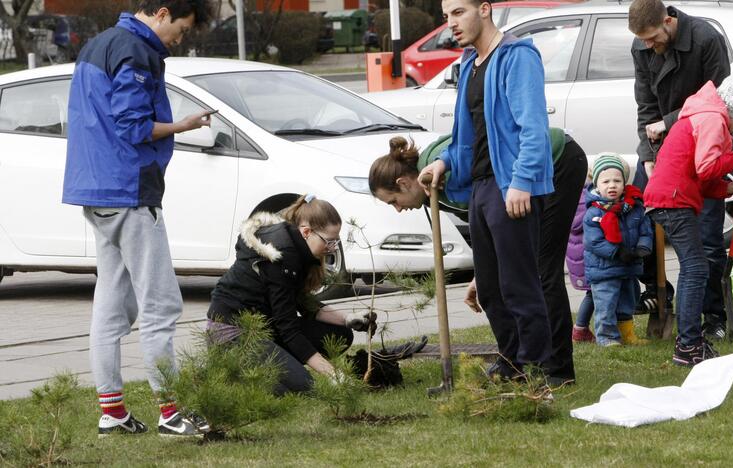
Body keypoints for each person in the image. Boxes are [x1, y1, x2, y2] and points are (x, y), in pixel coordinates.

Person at [62, 0, 215, 438]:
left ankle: (113, 412)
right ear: (163, 13)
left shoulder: (99, 44)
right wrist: (183, 125)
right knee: (160, 304)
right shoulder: (134, 50)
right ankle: (171, 412)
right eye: (182, 30)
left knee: (112, 307)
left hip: (96, 189)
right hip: (128, 190)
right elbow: (133, 127)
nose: (180, 40)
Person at [418, 0, 563, 387]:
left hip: (508, 185)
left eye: (459, 13)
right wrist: (444, 162)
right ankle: (510, 360)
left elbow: (532, 127)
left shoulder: (517, 56)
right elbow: (469, 134)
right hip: (480, 188)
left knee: (519, 285)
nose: (452, 24)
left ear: (484, 9)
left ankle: (536, 370)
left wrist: (521, 181)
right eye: (447, 16)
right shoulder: (470, 64)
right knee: (490, 287)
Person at [370, 127, 587, 384]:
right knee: (494, 285)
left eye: (393, 201)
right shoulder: (432, 190)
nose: (397, 209)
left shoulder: (443, 170)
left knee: (540, 272)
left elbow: (490, 155)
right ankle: (512, 362)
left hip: (555, 161)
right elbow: (485, 224)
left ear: (403, 183)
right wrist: (483, 271)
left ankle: (557, 370)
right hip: (512, 187)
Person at [629, 0, 732, 340]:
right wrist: (647, 153)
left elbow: (719, 100)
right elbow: (645, 104)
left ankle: (713, 317)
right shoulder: (641, 46)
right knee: (637, 223)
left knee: (707, 239)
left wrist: (668, 121)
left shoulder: (705, 39)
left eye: (653, 38)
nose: (648, 46)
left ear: (669, 21)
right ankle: (659, 295)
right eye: (643, 41)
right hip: (663, 151)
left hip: (703, 147)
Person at [207, 195, 378, 392]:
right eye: (328, 241)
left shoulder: (296, 246)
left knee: (340, 334)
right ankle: (231, 370)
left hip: (266, 327)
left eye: (335, 242)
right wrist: (333, 374)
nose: (331, 248)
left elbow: (301, 301)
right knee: (301, 386)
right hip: (234, 334)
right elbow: (288, 329)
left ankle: (273, 364)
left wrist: (348, 318)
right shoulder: (280, 255)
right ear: (306, 232)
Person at [644, 77, 733, 366]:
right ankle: (688, 345)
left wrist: (729, 188)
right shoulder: (711, 119)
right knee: (696, 270)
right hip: (672, 200)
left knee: (694, 269)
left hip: (670, 197)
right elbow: (707, 168)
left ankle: (690, 342)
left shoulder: (704, 114)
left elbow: (700, 177)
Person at [583, 154, 653, 347]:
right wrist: (617, 251)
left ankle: (626, 334)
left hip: (629, 267)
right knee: (606, 303)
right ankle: (606, 337)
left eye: (617, 180)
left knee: (627, 302)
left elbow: (645, 230)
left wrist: (643, 247)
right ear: (597, 184)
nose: (612, 185)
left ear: (624, 183)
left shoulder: (635, 208)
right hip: (605, 269)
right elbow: (593, 242)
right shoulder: (594, 212)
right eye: (606, 181)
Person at [568, 176, 595, 343]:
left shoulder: (570, 198)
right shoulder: (589, 199)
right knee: (595, 293)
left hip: (575, 257)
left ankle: (581, 328)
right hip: (589, 257)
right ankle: (580, 327)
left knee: (592, 293)